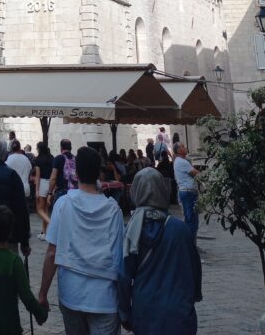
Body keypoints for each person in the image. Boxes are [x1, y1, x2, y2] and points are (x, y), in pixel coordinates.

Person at [38, 146, 124, 335]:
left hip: (72, 293)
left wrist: (43, 293)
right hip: (104, 297)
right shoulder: (113, 210)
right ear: (99, 174)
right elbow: (119, 258)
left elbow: (52, 252)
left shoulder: (63, 204)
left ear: (76, 174)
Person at [118, 167, 202, 335]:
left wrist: (125, 313)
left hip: (146, 311)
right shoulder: (180, 229)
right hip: (179, 311)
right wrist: (192, 297)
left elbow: (123, 276)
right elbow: (194, 268)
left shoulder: (131, 233)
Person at [0, 205, 48, 335]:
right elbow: (26, 296)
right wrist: (41, 313)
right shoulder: (14, 262)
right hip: (9, 327)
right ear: (10, 232)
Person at [173, 144, 200, 245]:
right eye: (183, 147)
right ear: (179, 151)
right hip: (188, 192)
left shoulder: (180, 161)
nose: (186, 148)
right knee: (191, 221)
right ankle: (190, 246)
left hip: (187, 192)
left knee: (190, 220)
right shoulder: (182, 162)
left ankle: (191, 245)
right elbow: (196, 173)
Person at [33, 142, 54, 240]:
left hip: (42, 183)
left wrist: (36, 190)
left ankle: (52, 224)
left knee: (39, 209)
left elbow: (37, 176)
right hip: (50, 183)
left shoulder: (38, 160)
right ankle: (44, 232)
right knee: (45, 209)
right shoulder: (51, 158)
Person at [48, 138, 77, 206]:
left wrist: (50, 193)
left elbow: (53, 178)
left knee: (59, 214)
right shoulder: (76, 159)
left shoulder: (58, 158)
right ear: (71, 148)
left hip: (62, 192)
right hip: (75, 192)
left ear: (61, 148)